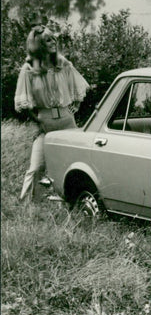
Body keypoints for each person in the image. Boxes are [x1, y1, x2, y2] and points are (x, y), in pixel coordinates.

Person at [14, 25, 89, 201]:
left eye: (54, 38)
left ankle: (73, 202)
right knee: (36, 166)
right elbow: (24, 103)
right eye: (48, 39)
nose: (54, 42)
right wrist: (38, 120)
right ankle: (28, 207)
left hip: (67, 120)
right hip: (45, 122)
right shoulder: (29, 68)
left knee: (76, 163)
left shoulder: (62, 63)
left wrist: (74, 107)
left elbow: (79, 87)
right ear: (38, 44)